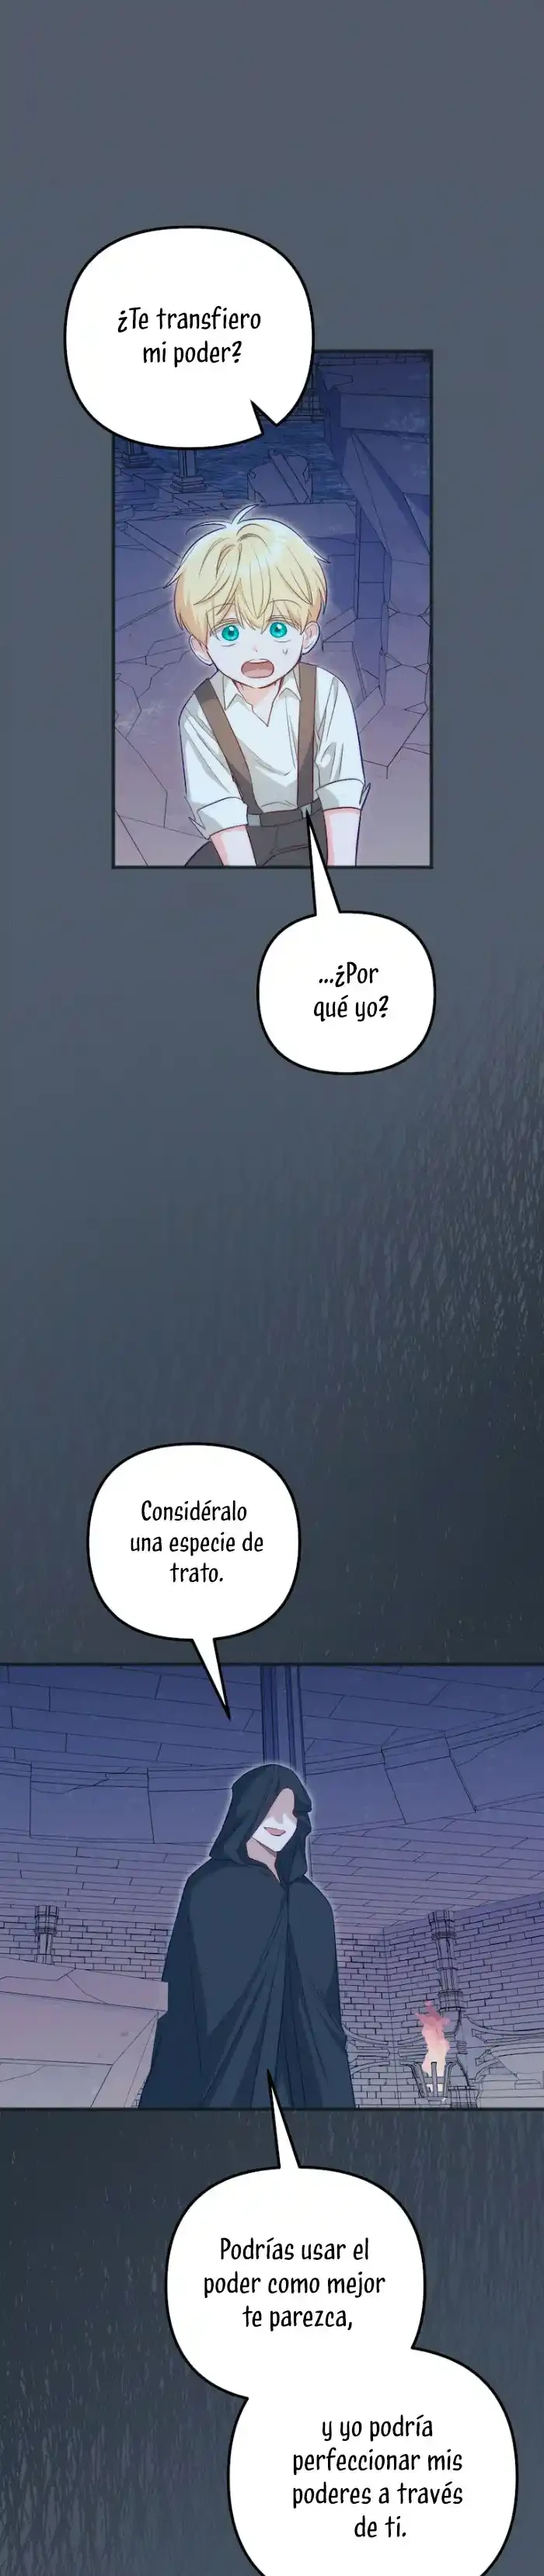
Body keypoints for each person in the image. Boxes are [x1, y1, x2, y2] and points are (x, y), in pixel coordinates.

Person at [139, 1762, 355, 2108]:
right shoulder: (209, 1887)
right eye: (271, 1809)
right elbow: (192, 1988)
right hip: (227, 2057)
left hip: (301, 2063)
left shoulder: (311, 1903)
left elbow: (326, 2003)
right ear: (248, 1811)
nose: (280, 1822)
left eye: (290, 1814)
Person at [174, 513, 368, 866]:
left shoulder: (326, 692)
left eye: (277, 628)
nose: (256, 649)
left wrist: (342, 874)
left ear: (307, 635)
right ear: (201, 647)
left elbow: (341, 792)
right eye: (230, 632)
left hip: (317, 830)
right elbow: (220, 811)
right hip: (244, 838)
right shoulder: (201, 712)